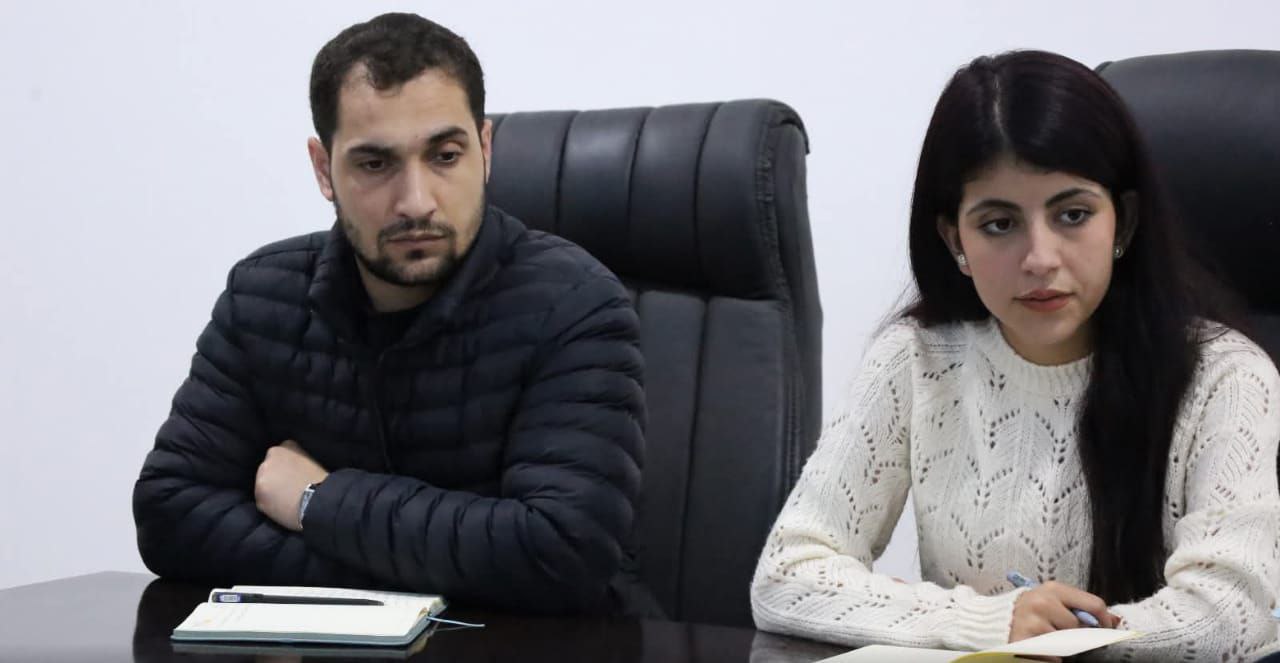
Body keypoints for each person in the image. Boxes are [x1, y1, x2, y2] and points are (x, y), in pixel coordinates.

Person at [751, 50, 1280, 660]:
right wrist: (990, 620)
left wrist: (1061, 636)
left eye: (1073, 215)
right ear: (955, 238)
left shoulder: (1225, 376)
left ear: (1125, 223)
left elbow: (1228, 618)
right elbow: (787, 573)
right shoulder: (915, 362)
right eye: (999, 224)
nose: (1040, 259)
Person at [132, 12, 650, 616]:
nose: (416, 202)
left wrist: (317, 502)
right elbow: (169, 512)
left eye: (445, 156)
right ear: (324, 169)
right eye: (375, 164)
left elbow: (560, 552)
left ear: (484, 149)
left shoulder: (575, 304)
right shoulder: (263, 297)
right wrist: (401, 574)